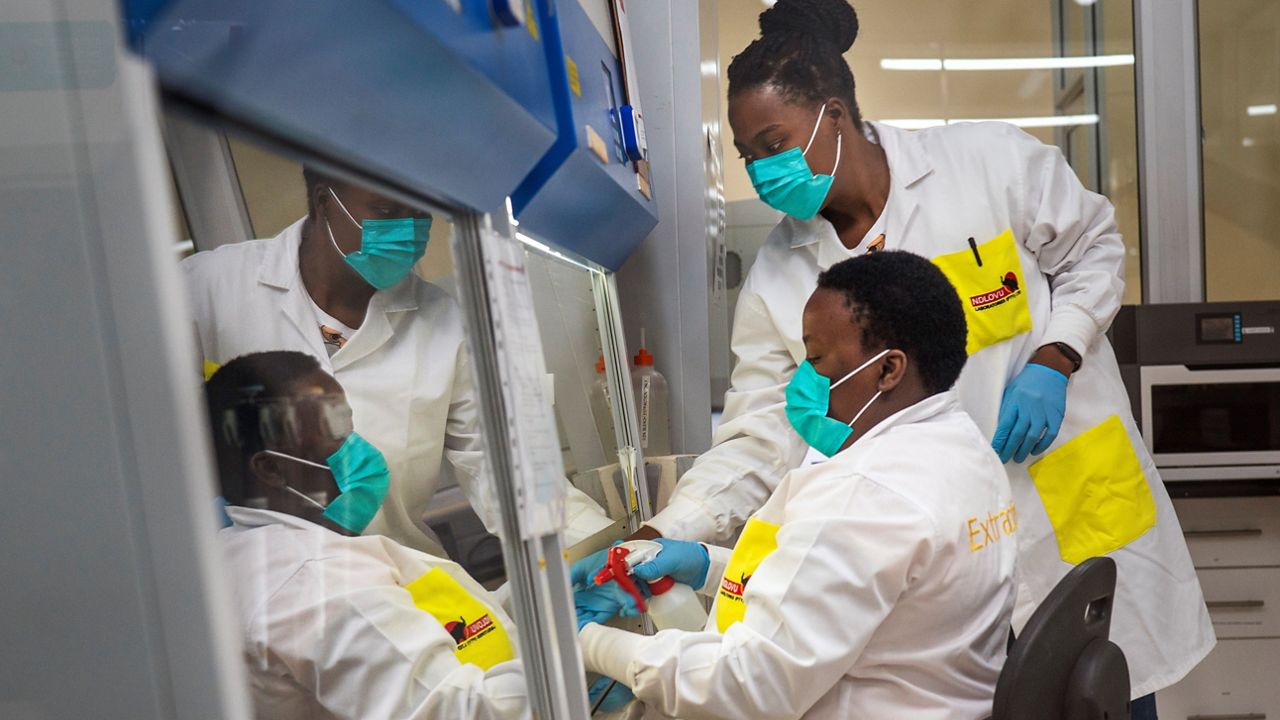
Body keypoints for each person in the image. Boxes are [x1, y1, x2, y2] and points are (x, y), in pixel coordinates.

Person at [579, 1, 1212, 714]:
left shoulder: (986, 163)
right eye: (746, 154)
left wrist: (1053, 357)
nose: (761, 170)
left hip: (1065, 504)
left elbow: (1095, 246)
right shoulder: (781, 278)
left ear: (836, 115)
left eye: (773, 142)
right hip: (940, 568)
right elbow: (759, 436)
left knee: (1104, 689)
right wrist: (665, 531)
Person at [576, 252, 1018, 719]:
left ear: (888, 370)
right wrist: (708, 567)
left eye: (816, 358)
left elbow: (745, 688)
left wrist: (590, 644)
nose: (801, 381)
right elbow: (846, 593)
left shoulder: (864, 490)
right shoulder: (964, 447)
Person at [184, 170, 611, 556]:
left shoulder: (448, 324)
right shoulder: (208, 289)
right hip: (257, 589)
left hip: (400, 581)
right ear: (323, 201)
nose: (405, 230)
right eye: (386, 210)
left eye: (419, 213)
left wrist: (607, 547)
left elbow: (506, 471)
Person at [206, 351, 529, 719]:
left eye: (351, 427)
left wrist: (528, 606)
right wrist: (578, 649)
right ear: (272, 469)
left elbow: (408, 631)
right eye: (336, 434)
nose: (360, 449)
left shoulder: (245, 552)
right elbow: (461, 711)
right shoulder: (318, 581)